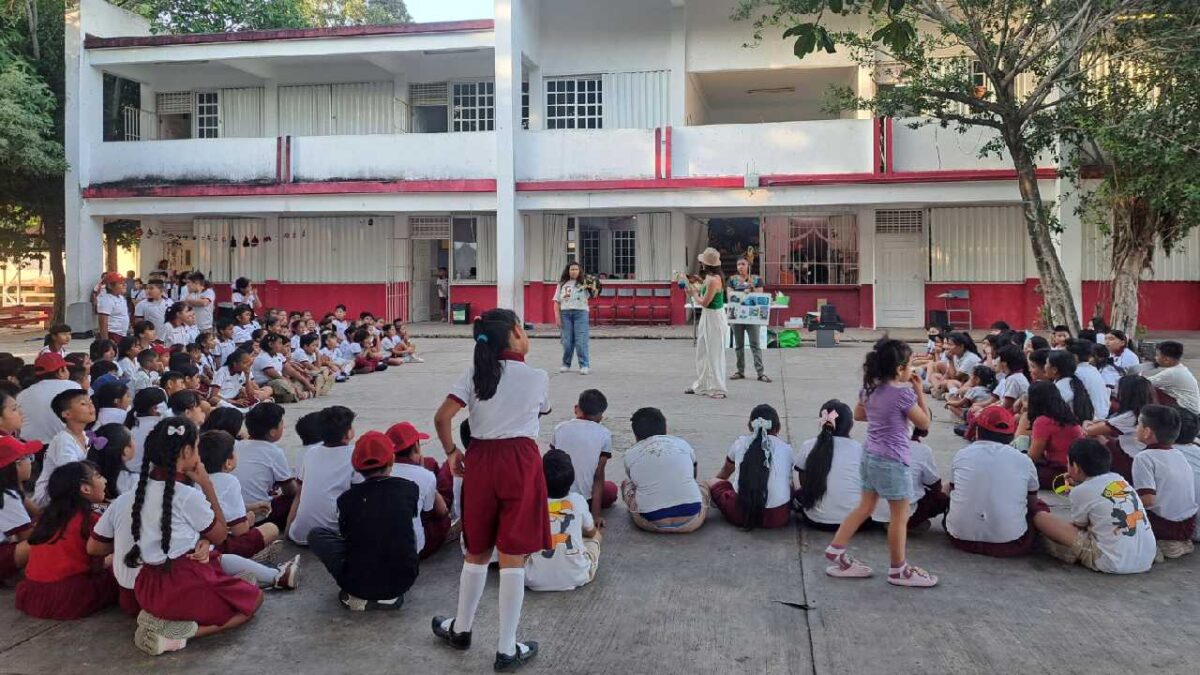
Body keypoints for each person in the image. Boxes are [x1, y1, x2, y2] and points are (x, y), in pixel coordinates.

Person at [431, 309, 551, 672]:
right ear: (516, 333)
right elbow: (541, 411)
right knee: (513, 554)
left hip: (481, 460)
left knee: (477, 549)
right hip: (521, 461)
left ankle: (462, 628)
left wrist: (453, 452)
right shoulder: (537, 377)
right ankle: (506, 647)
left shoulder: (473, 375)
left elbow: (442, 417)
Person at [88, 418, 264, 655]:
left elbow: (96, 547)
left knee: (223, 576)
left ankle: (163, 622)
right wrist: (206, 484)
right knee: (253, 600)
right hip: (180, 584)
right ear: (187, 451)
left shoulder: (131, 494)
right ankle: (179, 635)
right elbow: (222, 534)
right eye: (197, 446)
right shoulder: (185, 496)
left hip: (145, 587)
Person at [823, 338, 937, 587]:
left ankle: (836, 548)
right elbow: (924, 423)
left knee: (865, 506)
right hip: (893, 460)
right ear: (899, 370)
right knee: (900, 515)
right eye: (908, 365)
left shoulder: (869, 389)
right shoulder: (903, 395)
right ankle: (899, 569)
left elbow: (859, 413)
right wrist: (919, 392)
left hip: (870, 455)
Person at [309, 431, 420, 611]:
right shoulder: (410, 489)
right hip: (403, 579)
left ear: (356, 467)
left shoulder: (346, 500)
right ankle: (388, 597)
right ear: (391, 460)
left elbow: (347, 537)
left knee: (316, 535)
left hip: (357, 583)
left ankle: (362, 595)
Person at [1033, 438, 1156, 574]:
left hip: (1112, 562)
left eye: (1068, 463)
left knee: (1041, 518)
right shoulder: (1119, 479)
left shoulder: (1080, 492)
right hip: (1146, 559)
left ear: (1076, 468)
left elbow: (1079, 527)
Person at [15, 461, 119, 619]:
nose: (104, 480)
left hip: (34, 594)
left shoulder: (48, 516)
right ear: (85, 488)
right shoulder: (88, 518)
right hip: (69, 597)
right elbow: (97, 564)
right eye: (98, 476)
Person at [945, 407, 1045, 557]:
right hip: (1009, 544)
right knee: (1039, 507)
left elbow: (952, 491)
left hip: (960, 539)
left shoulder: (962, 455)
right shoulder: (1024, 461)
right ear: (1012, 435)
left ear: (977, 431)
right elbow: (1031, 502)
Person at [621, 407, 709, 533]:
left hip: (650, 521)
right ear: (665, 430)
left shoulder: (630, 454)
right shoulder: (682, 444)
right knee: (703, 485)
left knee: (626, 484)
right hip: (691, 520)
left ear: (635, 435)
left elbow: (635, 484)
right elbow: (694, 475)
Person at [706, 403, 794, 529]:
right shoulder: (786, 449)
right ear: (778, 428)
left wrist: (717, 485)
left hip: (741, 513)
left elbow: (725, 472)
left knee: (713, 482)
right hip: (776, 517)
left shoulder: (740, 443)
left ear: (750, 427)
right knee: (790, 486)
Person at [198, 430, 281, 562]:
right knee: (271, 529)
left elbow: (219, 506)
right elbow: (240, 531)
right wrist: (249, 519)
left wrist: (250, 507)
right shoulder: (229, 481)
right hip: (221, 546)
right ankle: (248, 561)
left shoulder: (195, 479)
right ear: (228, 462)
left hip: (201, 543)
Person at [525, 450, 601, 591]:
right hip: (576, 576)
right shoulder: (578, 500)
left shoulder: (530, 502)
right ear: (572, 478)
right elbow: (591, 532)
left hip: (532, 578)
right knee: (596, 537)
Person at [1131, 405, 1197, 558]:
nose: (1136, 427)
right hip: (1188, 525)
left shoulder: (1144, 458)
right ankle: (1177, 544)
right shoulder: (1178, 454)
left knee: (1119, 513)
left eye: (1139, 424)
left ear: (1147, 432)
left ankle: (1158, 546)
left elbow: (1147, 500)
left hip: (1166, 526)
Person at [289, 406, 359, 546]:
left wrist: (288, 528)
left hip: (299, 535)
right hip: (333, 535)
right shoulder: (355, 454)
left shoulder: (311, 452)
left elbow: (299, 493)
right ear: (347, 434)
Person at [550, 389, 617, 526]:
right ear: (600, 416)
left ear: (576, 408)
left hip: (555, 494)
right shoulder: (604, 434)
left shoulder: (560, 428)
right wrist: (595, 516)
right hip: (585, 501)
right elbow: (598, 477)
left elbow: (552, 463)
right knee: (611, 490)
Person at [793, 400, 863, 529]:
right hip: (854, 523)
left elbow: (799, 474)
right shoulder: (859, 449)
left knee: (796, 471)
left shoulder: (809, 445)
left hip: (814, 520)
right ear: (850, 425)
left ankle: (813, 504)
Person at [386, 422, 451, 559]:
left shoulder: (376, 472)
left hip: (385, 547)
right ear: (416, 447)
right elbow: (441, 511)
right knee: (446, 470)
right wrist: (425, 473)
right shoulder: (426, 468)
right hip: (418, 546)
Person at [234, 402, 298, 533]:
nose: (283, 426)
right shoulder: (274, 452)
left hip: (234, 513)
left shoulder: (236, 446)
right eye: (281, 424)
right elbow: (290, 491)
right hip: (260, 515)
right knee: (297, 499)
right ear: (273, 432)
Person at [871, 428, 949, 531]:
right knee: (941, 498)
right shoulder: (923, 450)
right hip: (905, 512)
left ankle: (883, 521)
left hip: (874, 510)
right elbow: (934, 484)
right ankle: (904, 524)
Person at [33, 389, 95, 508]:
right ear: (66, 414)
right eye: (83, 404)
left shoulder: (86, 436)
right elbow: (71, 476)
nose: (91, 406)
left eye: (90, 402)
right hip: (52, 500)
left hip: (77, 491)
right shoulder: (63, 440)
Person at [1021, 381, 1084, 489]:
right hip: (1079, 470)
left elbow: (1033, 457)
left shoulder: (1043, 421)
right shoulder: (1068, 416)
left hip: (1060, 472)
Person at [684, 248, 728, 399]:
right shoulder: (711, 278)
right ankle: (702, 385)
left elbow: (705, 302)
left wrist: (693, 293)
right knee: (703, 351)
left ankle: (718, 388)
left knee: (714, 353)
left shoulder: (714, 280)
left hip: (714, 317)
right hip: (708, 316)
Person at [16, 353, 80, 445]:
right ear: (61, 372)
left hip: (31, 449)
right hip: (64, 446)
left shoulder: (22, 394)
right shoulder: (73, 386)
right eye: (66, 368)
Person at [0, 436, 37, 584]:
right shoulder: (7, 496)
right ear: (15, 465)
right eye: (27, 457)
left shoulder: (8, 492)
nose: (30, 462)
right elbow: (28, 536)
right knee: (45, 539)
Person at [727, 256, 770, 383]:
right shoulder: (732, 280)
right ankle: (740, 371)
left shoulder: (756, 279)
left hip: (752, 317)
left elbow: (761, 295)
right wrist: (740, 292)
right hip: (737, 316)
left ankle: (760, 372)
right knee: (738, 345)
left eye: (743, 264)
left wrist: (752, 288)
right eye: (738, 264)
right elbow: (729, 295)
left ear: (748, 265)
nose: (740, 266)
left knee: (755, 345)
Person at [554, 262, 595, 375]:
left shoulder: (585, 283)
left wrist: (593, 285)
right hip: (565, 314)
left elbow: (595, 293)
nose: (574, 271)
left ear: (580, 271)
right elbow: (556, 301)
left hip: (580, 313)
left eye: (576, 269)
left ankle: (584, 365)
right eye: (572, 269)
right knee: (567, 341)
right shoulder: (562, 284)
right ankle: (566, 364)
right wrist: (557, 316)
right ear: (568, 271)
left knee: (581, 341)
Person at [1085, 375, 1152, 439]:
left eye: (1118, 388)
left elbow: (1088, 431)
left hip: (1129, 450)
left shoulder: (1129, 416)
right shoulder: (1146, 412)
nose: (1114, 391)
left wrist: (1085, 422)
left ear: (1126, 393)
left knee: (1096, 438)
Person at [88, 423, 139, 499]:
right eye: (133, 439)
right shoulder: (133, 480)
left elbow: (94, 507)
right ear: (126, 450)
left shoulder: (86, 475)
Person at [1146, 341, 1199, 414]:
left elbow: (1145, 382)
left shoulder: (1172, 373)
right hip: (1190, 409)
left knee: (1147, 389)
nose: (1155, 358)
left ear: (1166, 360)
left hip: (1187, 412)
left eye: (1158, 355)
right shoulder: (1179, 369)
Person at [1045, 351, 1096, 423]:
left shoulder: (1062, 388)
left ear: (1054, 370)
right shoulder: (1069, 381)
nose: (1045, 366)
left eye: (1046, 363)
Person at [1066, 340, 1112, 420]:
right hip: (1102, 415)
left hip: (1090, 419)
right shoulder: (1092, 370)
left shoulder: (1077, 373)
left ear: (1075, 357)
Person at [97, 272, 131, 341]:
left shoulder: (121, 298)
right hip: (113, 334)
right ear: (110, 286)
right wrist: (105, 341)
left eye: (124, 283)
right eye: (120, 283)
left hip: (122, 334)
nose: (124, 285)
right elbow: (103, 321)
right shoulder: (106, 300)